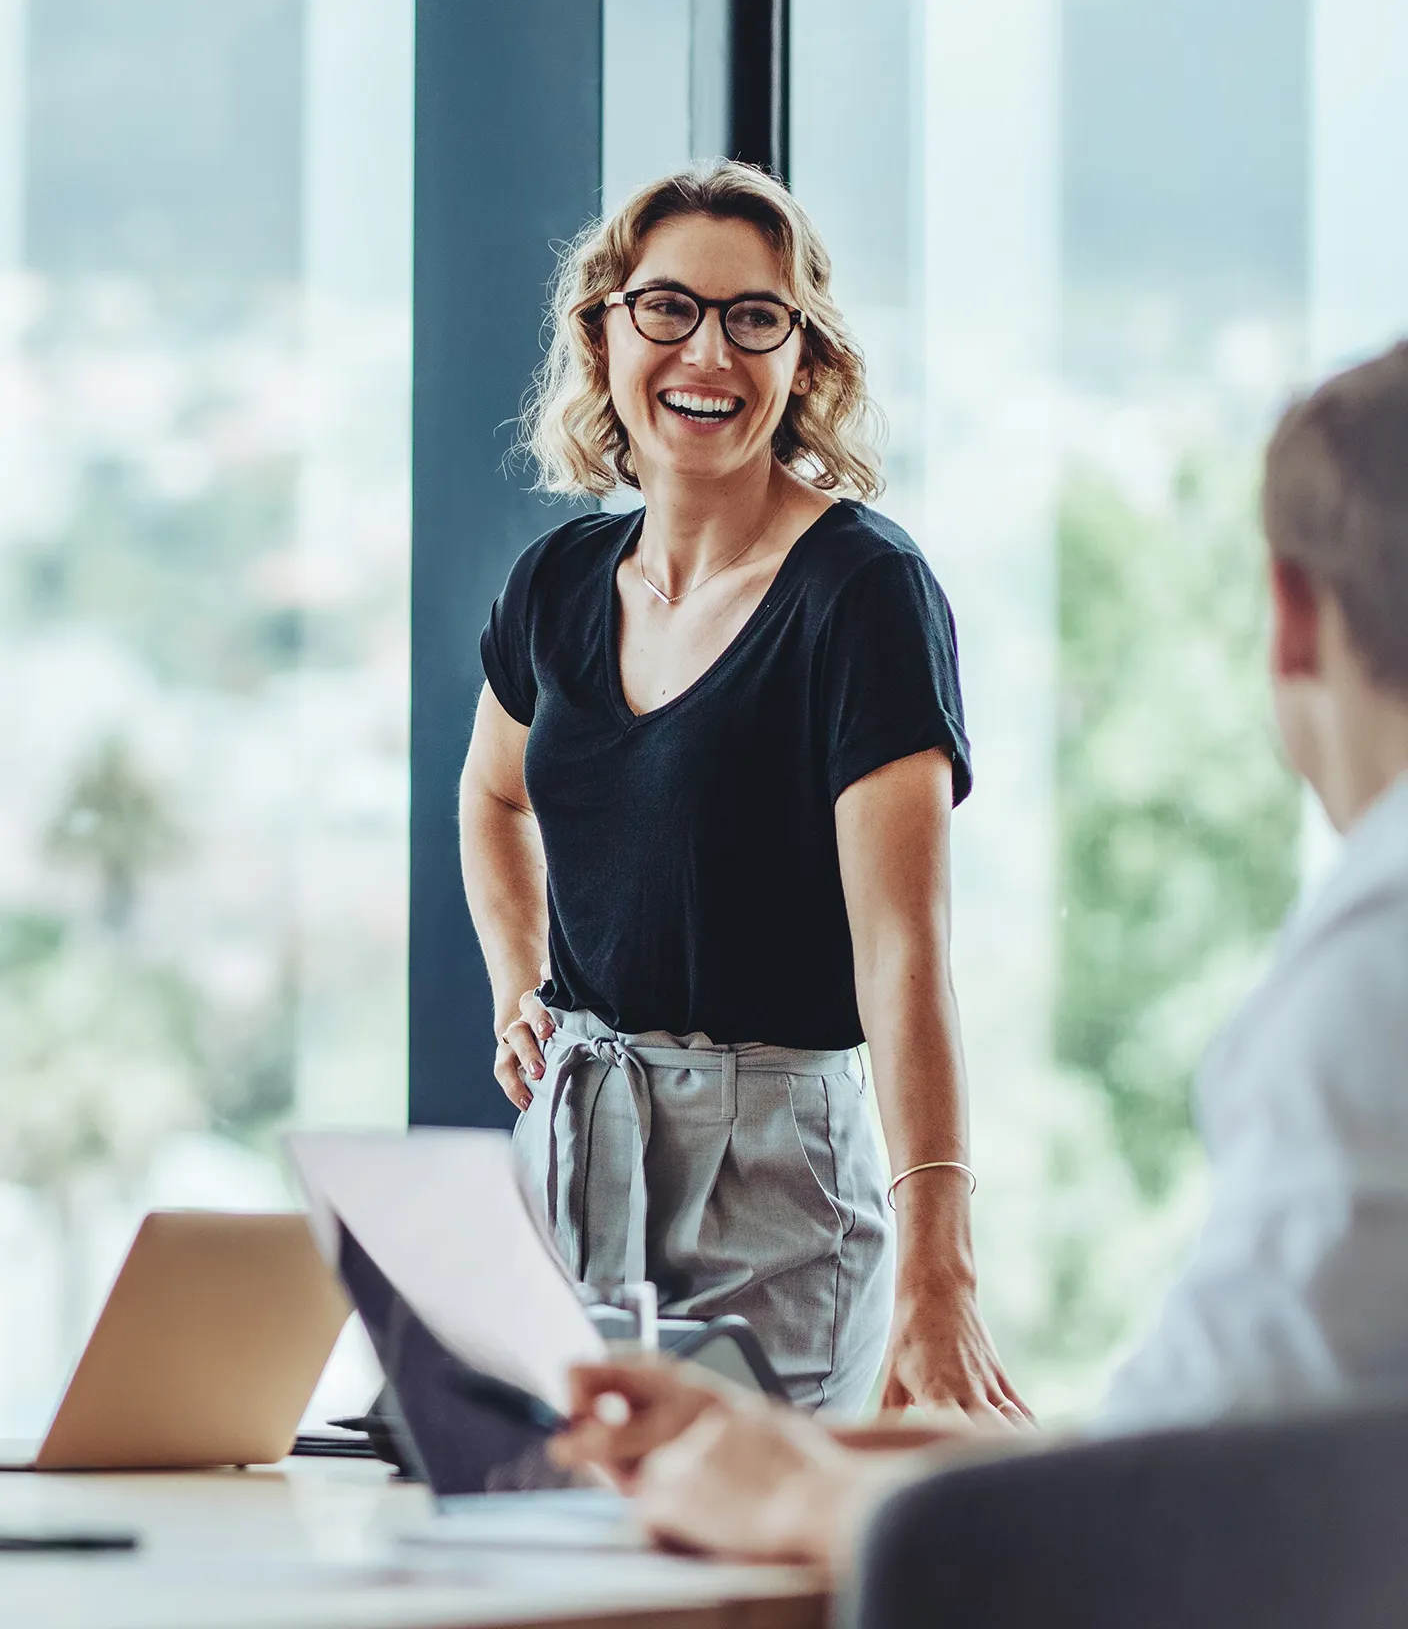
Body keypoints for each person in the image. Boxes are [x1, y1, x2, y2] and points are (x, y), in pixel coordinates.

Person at [551, 339, 1408, 1563]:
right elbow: (1206, 1437)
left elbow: (1173, 1521)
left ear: (1291, 619)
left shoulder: (1373, 976)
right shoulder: (568, 584)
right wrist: (808, 1451)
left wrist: (799, 1499)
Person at [459, 160, 1026, 1419]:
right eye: (667, 307)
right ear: (604, 333)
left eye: (752, 316)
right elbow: (493, 799)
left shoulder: (863, 594)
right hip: (568, 1147)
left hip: (772, 1175)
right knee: (549, 1568)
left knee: (742, 1595)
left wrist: (942, 1270)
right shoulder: (554, 584)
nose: (704, 350)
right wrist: (517, 985)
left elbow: (904, 955)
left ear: (803, 358)